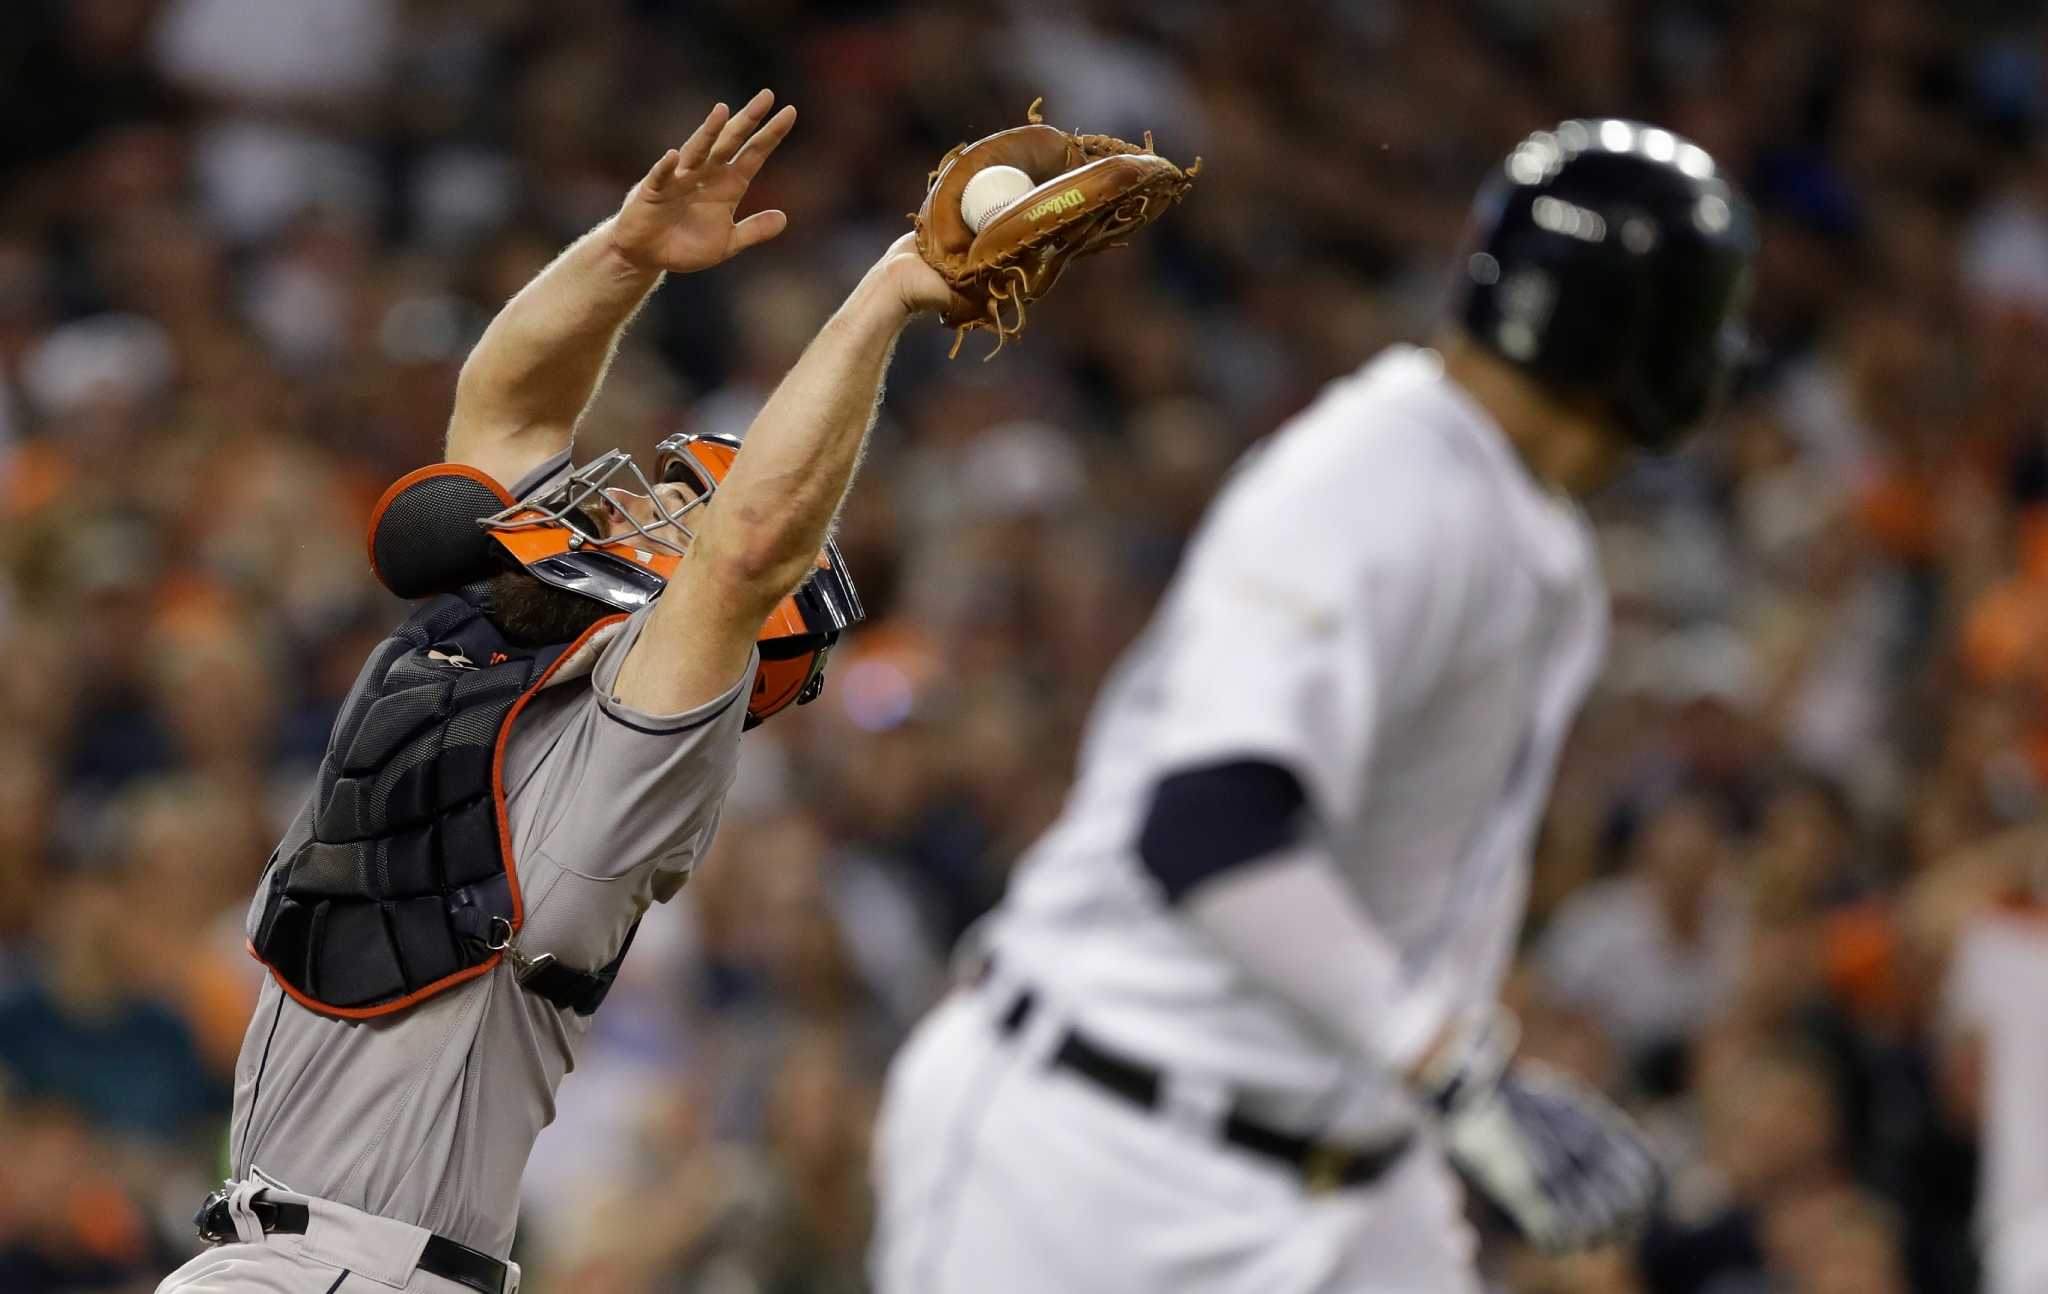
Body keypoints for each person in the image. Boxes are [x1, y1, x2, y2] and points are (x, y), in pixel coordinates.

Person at [871, 119, 1757, 1293]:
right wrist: (1452, 1069)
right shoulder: (1368, 480)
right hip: (1087, 1158)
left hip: (1344, 1173)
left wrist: (1439, 1082)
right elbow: (1205, 828)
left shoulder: (1526, 527)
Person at [158, 89, 962, 1294]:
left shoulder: (632, 749)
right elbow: (508, 404)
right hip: (270, 1256)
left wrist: (888, 289)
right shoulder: (488, 647)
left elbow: (749, 550)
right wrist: (631, 250)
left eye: (663, 510)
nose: (629, 495)